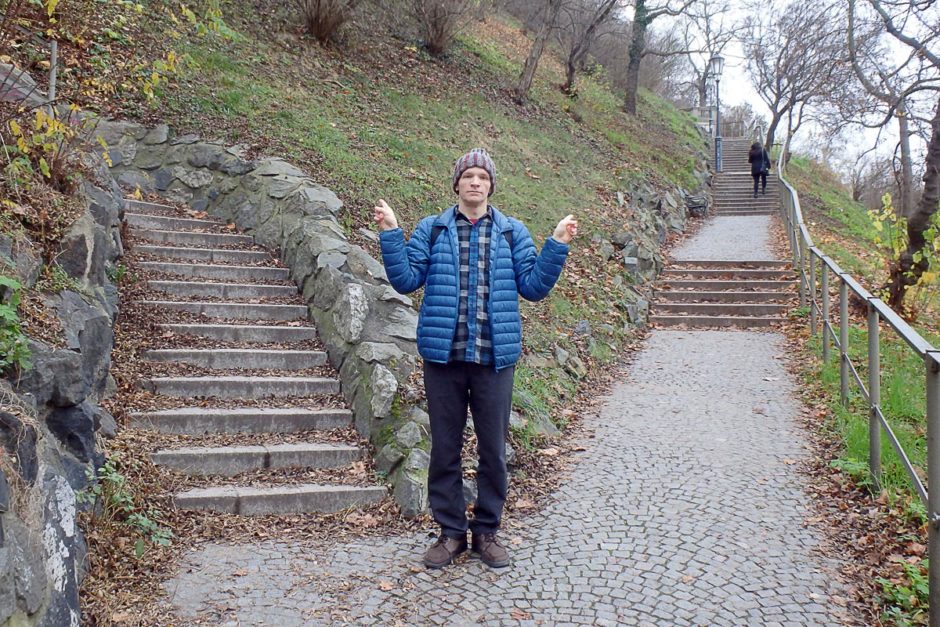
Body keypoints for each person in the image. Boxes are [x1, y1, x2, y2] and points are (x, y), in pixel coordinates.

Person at [373, 148, 577, 570]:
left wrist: (556, 244)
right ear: (457, 183)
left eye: (483, 177)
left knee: (493, 452)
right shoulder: (433, 229)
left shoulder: (511, 232)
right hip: (443, 360)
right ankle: (451, 534)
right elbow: (406, 280)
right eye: (469, 176)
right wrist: (392, 233)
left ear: (491, 186)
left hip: (493, 360)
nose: (476, 183)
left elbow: (534, 287)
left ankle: (486, 531)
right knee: (445, 450)